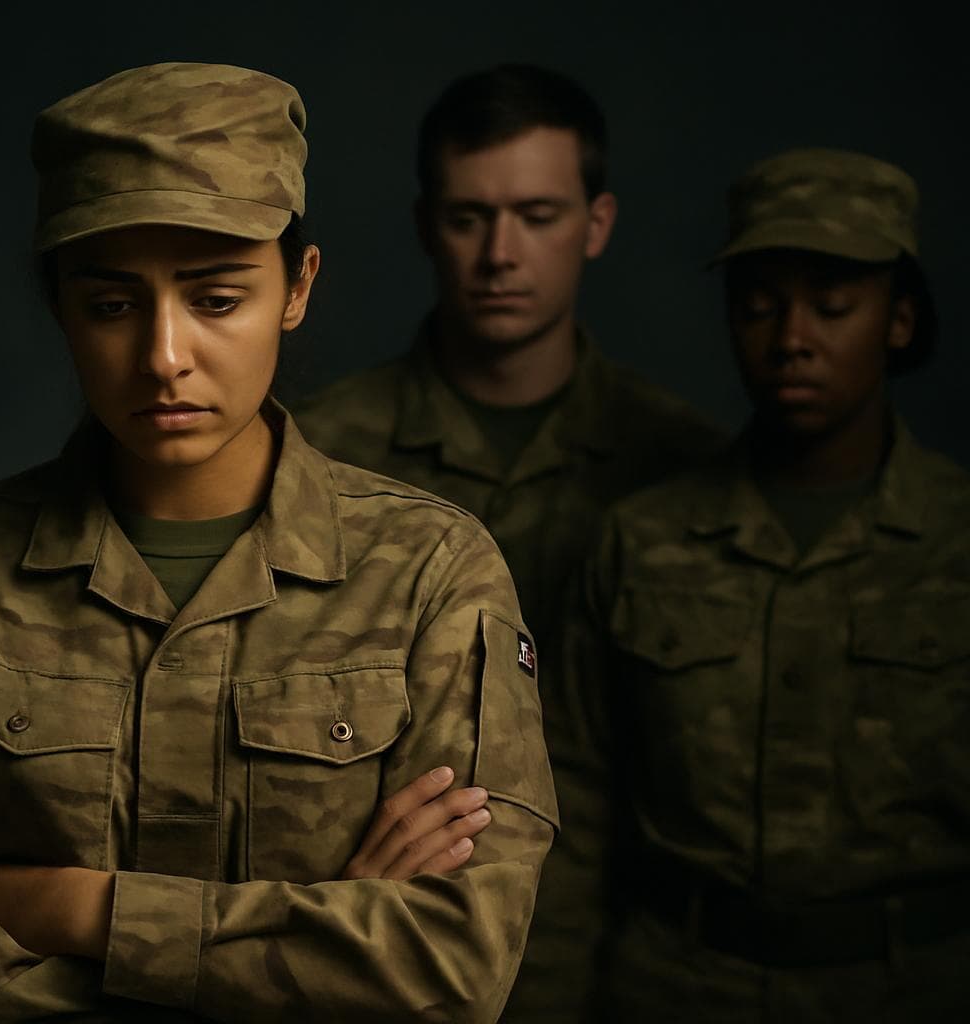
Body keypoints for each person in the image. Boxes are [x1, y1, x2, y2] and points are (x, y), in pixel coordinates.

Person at [0, 61, 558, 1022]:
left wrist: (72, 905)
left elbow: (450, 972)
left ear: (298, 287)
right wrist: (327, 929)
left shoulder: (430, 574)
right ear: (58, 305)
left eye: (215, 299)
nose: (165, 357)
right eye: (113, 305)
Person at [291, 66, 724, 1015]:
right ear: (423, 225)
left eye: (537, 214)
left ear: (597, 223)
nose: (499, 254)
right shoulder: (313, 455)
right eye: (468, 217)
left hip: (638, 970)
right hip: (377, 955)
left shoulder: (686, 469)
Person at [549, 147, 969, 1021]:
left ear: (898, 319)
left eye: (833, 306)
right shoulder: (643, 538)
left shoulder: (957, 539)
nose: (792, 340)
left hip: (916, 988)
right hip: (674, 988)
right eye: (759, 306)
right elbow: (573, 804)